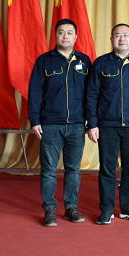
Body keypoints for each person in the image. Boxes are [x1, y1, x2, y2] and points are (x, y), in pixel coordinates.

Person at [28, 18, 91, 227]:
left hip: (76, 125)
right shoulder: (44, 61)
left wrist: (91, 121)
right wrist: (35, 120)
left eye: (69, 32)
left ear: (76, 36)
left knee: (73, 169)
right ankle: (49, 209)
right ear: (55, 36)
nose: (65, 36)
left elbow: (91, 93)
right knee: (48, 169)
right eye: (61, 32)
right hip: (50, 125)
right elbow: (34, 91)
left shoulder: (84, 61)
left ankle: (71, 207)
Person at [85, 23, 129, 225]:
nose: (122, 39)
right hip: (107, 125)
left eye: (126, 35)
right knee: (107, 169)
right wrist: (92, 124)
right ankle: (107, 209)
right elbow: (91, 95)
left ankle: (128, 207)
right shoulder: (101, 63)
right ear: (111, 39)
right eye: (117, 35)